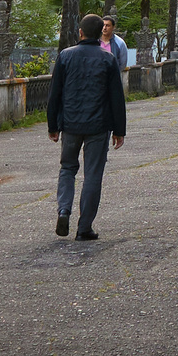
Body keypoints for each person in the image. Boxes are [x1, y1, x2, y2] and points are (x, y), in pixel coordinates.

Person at [46, 12, 127, 240]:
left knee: (67, 168)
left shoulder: (65, 56)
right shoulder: (108, 59)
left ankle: (64, 210)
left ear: (80, 32)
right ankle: (84, 228)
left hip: (70, 123)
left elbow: (55, 94)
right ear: (101, 33)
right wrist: (119, 130)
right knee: (93, 174)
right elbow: (116, 98)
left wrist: (53, 125)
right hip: (98, 125)